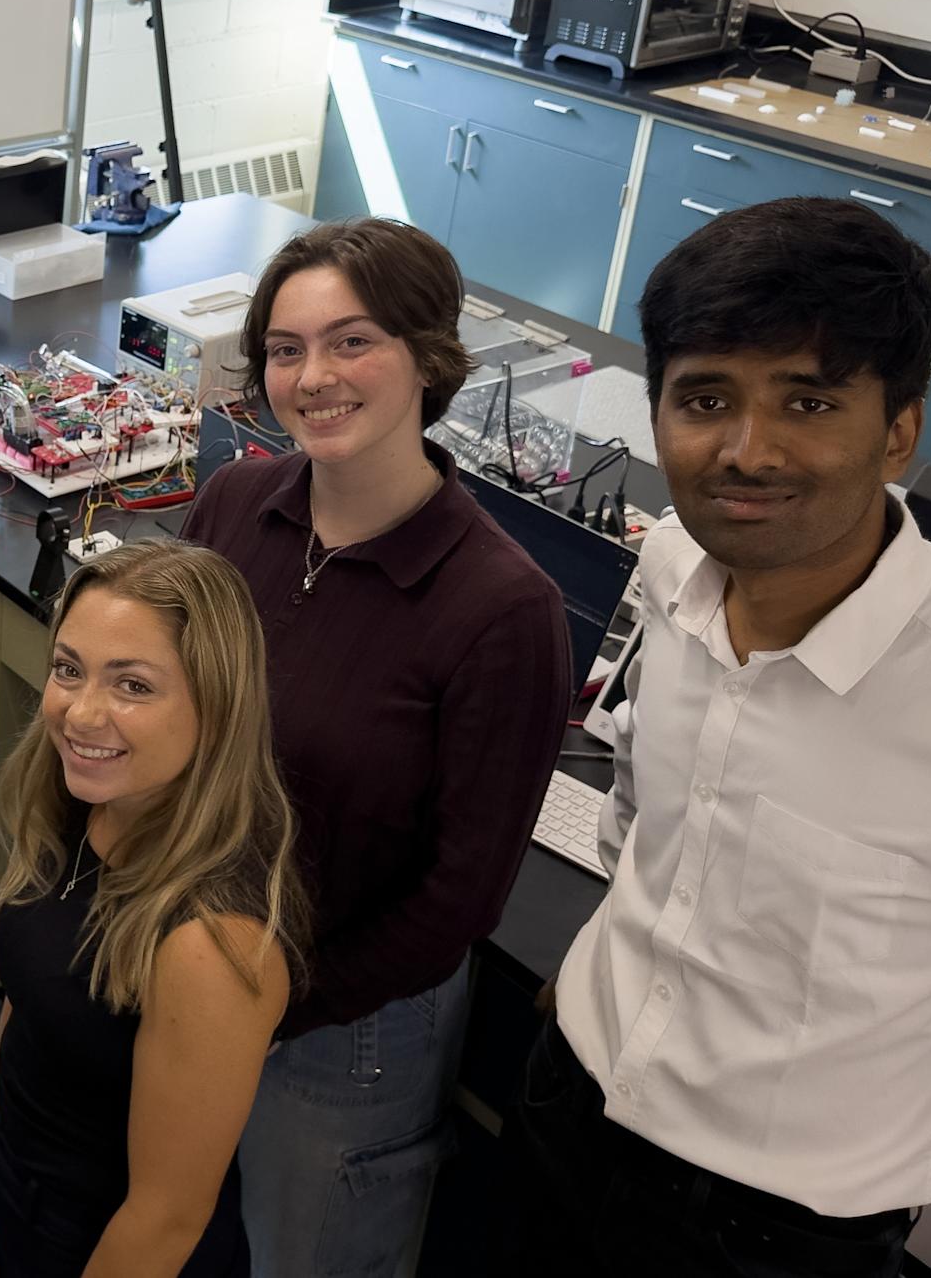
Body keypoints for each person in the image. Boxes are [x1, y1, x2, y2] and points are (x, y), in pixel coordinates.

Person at [509, 197, 931, 1278]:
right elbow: (644, 807)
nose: (747, 450)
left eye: (808, 400)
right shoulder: (669, 571)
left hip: (772, 1237)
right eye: (707, 398)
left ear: (899, 428)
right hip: (568, 1105)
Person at [178, 217, 572, 1275]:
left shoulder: (501, 610)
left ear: (427, 358)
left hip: (343, 1031)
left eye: (353, 341)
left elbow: (458, 900)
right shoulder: (230, 506)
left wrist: (273, 999)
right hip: (194, 963)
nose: (315, 376)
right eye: (286, 347)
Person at [0, 540, 306, 1277]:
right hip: (28, 1189)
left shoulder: (213, 943)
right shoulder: (88, 810)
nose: (81, 713)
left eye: (133, 686)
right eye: (68, 669)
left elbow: (164, 1218)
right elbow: (35, 1000)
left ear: (217, 705)